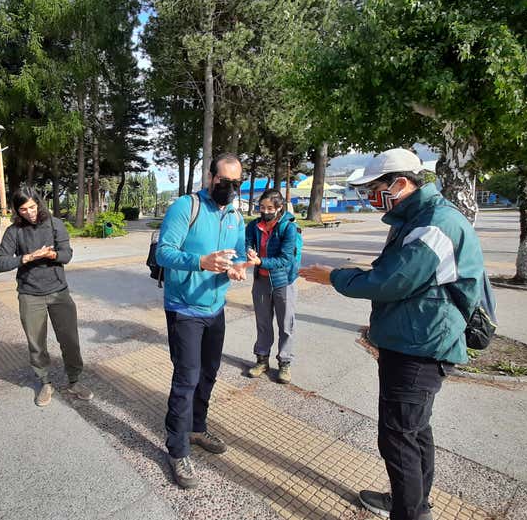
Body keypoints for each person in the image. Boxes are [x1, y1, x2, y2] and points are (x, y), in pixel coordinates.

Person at [300, 148, 485, 520]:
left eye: (374, 189)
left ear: (400, 184)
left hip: (420, 347)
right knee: (414, 431)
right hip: (415, 338)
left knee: (398, 438)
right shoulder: (417, 217)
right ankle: (411, 501)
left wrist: (334, 276)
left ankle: (410, 512)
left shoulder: (435, 224)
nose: (370, 196)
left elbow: (391, 280)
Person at [155, 153, 248, 489]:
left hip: (215, 308)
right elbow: (163, 252)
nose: (230, 188)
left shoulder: (236, 214)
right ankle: (177, 449)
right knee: (186, 379)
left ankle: (197, 428)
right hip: (184, 309)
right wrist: (201, 262)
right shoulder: (186, 206)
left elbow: (238, 253)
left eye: (237, 183)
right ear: (211, 177)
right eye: (225, 181)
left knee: (208, 374)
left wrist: (238, 267)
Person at [0, 187, 93, 407]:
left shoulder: (55, 224)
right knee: (36, 343)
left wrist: (52, 254)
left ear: (38, 203)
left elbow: (67, 255)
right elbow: (0, 263)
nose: (29, 213)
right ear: (17, 210)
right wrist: (27, 257)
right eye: (23, 209)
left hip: (59, 292)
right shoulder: (14, 231)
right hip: (30, 294)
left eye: (32, 207)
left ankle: (75, 381)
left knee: (69, 340)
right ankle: (45, 382)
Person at [245, 189, 300, 384]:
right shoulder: (253, 225)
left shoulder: (288, 228)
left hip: (283, 281)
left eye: (270, 208)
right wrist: (249, 251)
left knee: (286, 325)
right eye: (262, 207)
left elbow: (285, 259)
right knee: (263, 323)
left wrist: (260, 261)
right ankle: (262, 360)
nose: (265, 211)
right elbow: (247, 243)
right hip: (261, 281)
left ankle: (285, 362)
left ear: (279, 207)